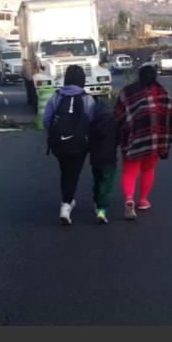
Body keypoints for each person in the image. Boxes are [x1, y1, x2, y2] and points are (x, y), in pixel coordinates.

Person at [115, 64, 172, 220]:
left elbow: (118, 116)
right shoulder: (163, 93)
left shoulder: (128, 92)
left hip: (134, 140)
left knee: (130, 172)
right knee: (148, 170)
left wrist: (118, 136)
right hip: (155, 141)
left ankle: (129, 199)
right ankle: (142, 200)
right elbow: (171, 117)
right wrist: (168, 138)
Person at [43, 65, 96, 225]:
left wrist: (55, 134)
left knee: (65, 170)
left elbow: (47, 120)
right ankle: (66, 204)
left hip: (59, 144)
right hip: (79, 144)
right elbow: (92, 122)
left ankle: (67, 200)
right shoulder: (87, 98)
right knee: (73, 172)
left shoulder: (56, 96)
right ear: (83, 80)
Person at [88, 98, 118, 225]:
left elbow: (88, 141)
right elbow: (119, 138)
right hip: (110, 159)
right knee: (107, 185)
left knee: (98, 181)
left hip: (95, 159)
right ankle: (101, 210)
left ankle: (96, 201)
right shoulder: (114, 123)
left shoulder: (92, 124)